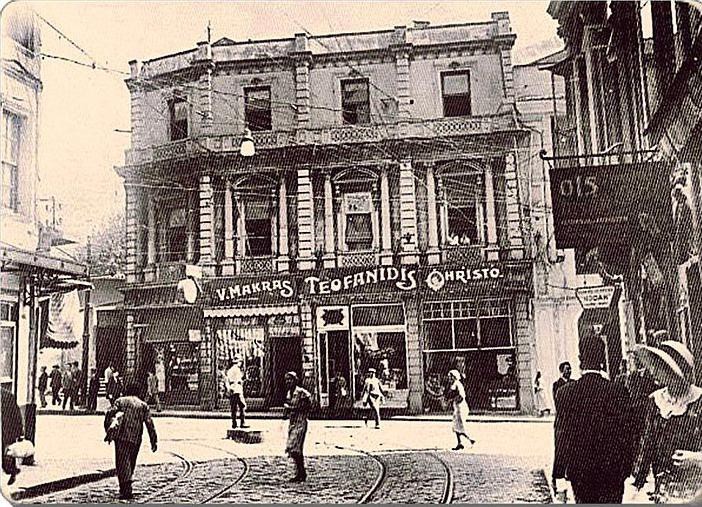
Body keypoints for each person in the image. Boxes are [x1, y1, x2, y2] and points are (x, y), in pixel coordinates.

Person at [552, 334, 634, 503]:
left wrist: (559, 472)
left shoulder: (565, 393)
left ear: (580, 359)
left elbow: (561, 435)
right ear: (602, 359)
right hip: (612, 470)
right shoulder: (618, 391)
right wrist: (627, 467)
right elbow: (628, 433)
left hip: (580, 471)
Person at [632, 340, 702, 502]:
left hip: (696, 490)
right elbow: (647, 443)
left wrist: (695, 459)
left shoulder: (698, 400)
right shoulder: (656, 400)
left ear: (674, 372)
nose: (655, 373)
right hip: (664, 491)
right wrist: (636, 484)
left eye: (661, 368)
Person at [105, 382, 158, 500]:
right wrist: (153, 440)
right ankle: (127, 486)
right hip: (136, 438)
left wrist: (108, 430)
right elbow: (149, 423)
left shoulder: (120, 401)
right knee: (131, 461)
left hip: (121, 437)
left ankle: (125, 488)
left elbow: (110, 413)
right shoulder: (143, 405)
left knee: (122, 462)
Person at [283, 371, 311, 482]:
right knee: (293, 448)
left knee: (295, 448)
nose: (288, 382)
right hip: (293, 423)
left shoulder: (302, 392)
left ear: (295, 380)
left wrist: (293, 409)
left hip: (300, 422)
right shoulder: (289, 393)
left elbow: (307, 406)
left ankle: (301, 472)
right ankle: (300, 472)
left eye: (290, 379)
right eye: (286, 380)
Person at [445, 370, 475, 450]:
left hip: (460, 407)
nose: (449, 378)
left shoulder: (457, 384)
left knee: (460, 425)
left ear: (454, 377)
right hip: (457, 407)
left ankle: (470, 439)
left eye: (450, 376)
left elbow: (461, 396)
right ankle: (460, 443)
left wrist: (452, 400)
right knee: (456, 425)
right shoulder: (455, 384)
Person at [1, 387, 23, 485]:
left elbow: (16, 415)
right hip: (8, 432)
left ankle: (11, 470)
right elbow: (17, 415)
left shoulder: (7, 396)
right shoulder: (9, 395)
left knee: (7, 454)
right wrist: (19, 432)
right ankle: (12, 470)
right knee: (8, 453)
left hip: (6, 431)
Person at [225, 356, 248, 429]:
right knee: (242, 406)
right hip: (237, 389)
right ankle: (242, 422)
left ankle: (234, 423)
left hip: (231, 390)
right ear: (238, 362)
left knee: (233, 408)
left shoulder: (229, 370)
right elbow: (239, 380)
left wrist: (229, 389)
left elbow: (227, 381)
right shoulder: (237, 370)